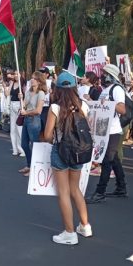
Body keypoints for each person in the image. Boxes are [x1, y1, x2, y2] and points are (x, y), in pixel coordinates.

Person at [44, 72, 92, 245]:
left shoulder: (55, 108)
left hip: (61, 151)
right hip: (79, 152)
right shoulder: (83, 106)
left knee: (63, 192)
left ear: (58, 89)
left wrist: (54, 138)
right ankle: (85, 226)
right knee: (75, 189)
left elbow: (48, 135)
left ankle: (69, 233)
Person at [85, 64, 127, 204]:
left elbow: (122, 109)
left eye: (104, 73)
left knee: (106, 161)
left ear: (111, 75)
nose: (102, 75)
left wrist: (110, 103)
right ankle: (121, 187)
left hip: (113, 130)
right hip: (105, 129)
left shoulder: (117, 89)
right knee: (114, 160)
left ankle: (100, 192)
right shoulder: (106, 89)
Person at [18, 71, 47, 177]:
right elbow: (24, 105)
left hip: (34, 120)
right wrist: (21, 99)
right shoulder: (28, 92)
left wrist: (27, 112)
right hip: (26, 119)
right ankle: (29, 165)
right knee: (24, 144)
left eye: (34, 78)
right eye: (32, 78)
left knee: (34, 145)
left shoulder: (41, 93)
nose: (31, 80)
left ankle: (34, 168)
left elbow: (38, 110)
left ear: (39, 81)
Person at [4, 70, 25, 157]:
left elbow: (26, 95)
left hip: (19, 105)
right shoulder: (12, 82)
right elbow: (8, 94)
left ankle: (22, 149)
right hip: (12, 105)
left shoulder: (23, 84)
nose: (15, 75)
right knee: (12, 128)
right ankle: (15, 149)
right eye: (14, 74)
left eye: (17, 74)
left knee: (19, 128)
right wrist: (5, 87)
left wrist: (22, 98)